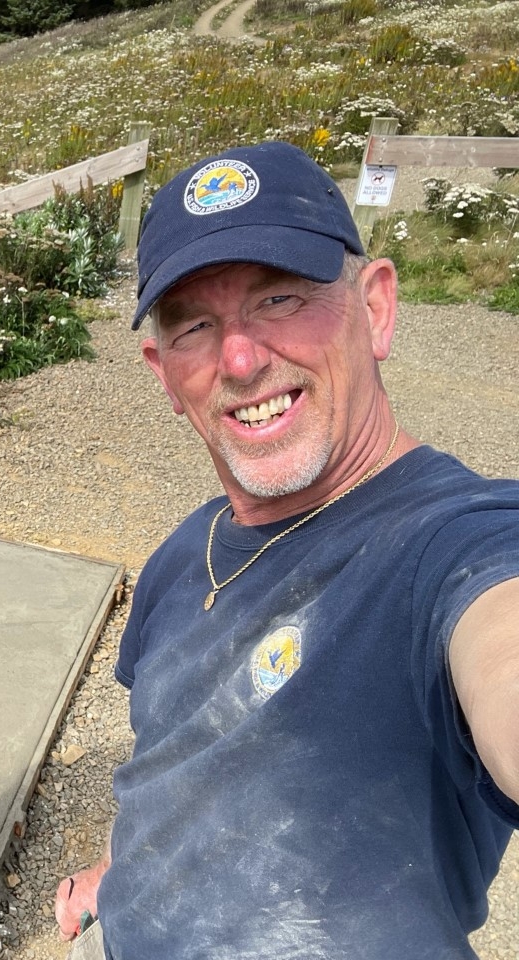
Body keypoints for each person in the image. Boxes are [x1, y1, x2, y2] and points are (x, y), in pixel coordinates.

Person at [53, 141, 519, 959]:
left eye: (279, 298)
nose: (239, 358)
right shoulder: (182, 555)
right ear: (164, 373)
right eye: (195, 324)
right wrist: (120, 875)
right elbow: (177, 761)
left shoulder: (456, 540)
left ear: (375, 308)